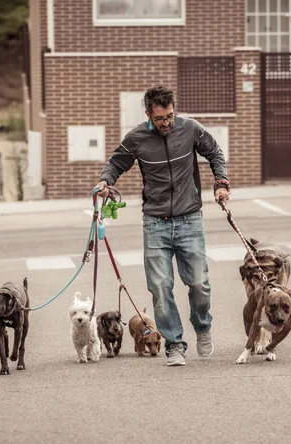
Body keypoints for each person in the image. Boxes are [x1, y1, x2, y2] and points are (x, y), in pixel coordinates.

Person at [95, 85, 230, 366]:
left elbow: (215, 153)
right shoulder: (136, 138)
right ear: (148, 114)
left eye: (170, 116)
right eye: (160, 119)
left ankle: (202, 327)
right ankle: (174, 344)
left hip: (189, 218)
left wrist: (220, 182)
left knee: (199, 284)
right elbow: (116, 163)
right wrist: (106, 182)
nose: (167, 123)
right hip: (155, 222)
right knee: (159, 287)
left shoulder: (190, 129)